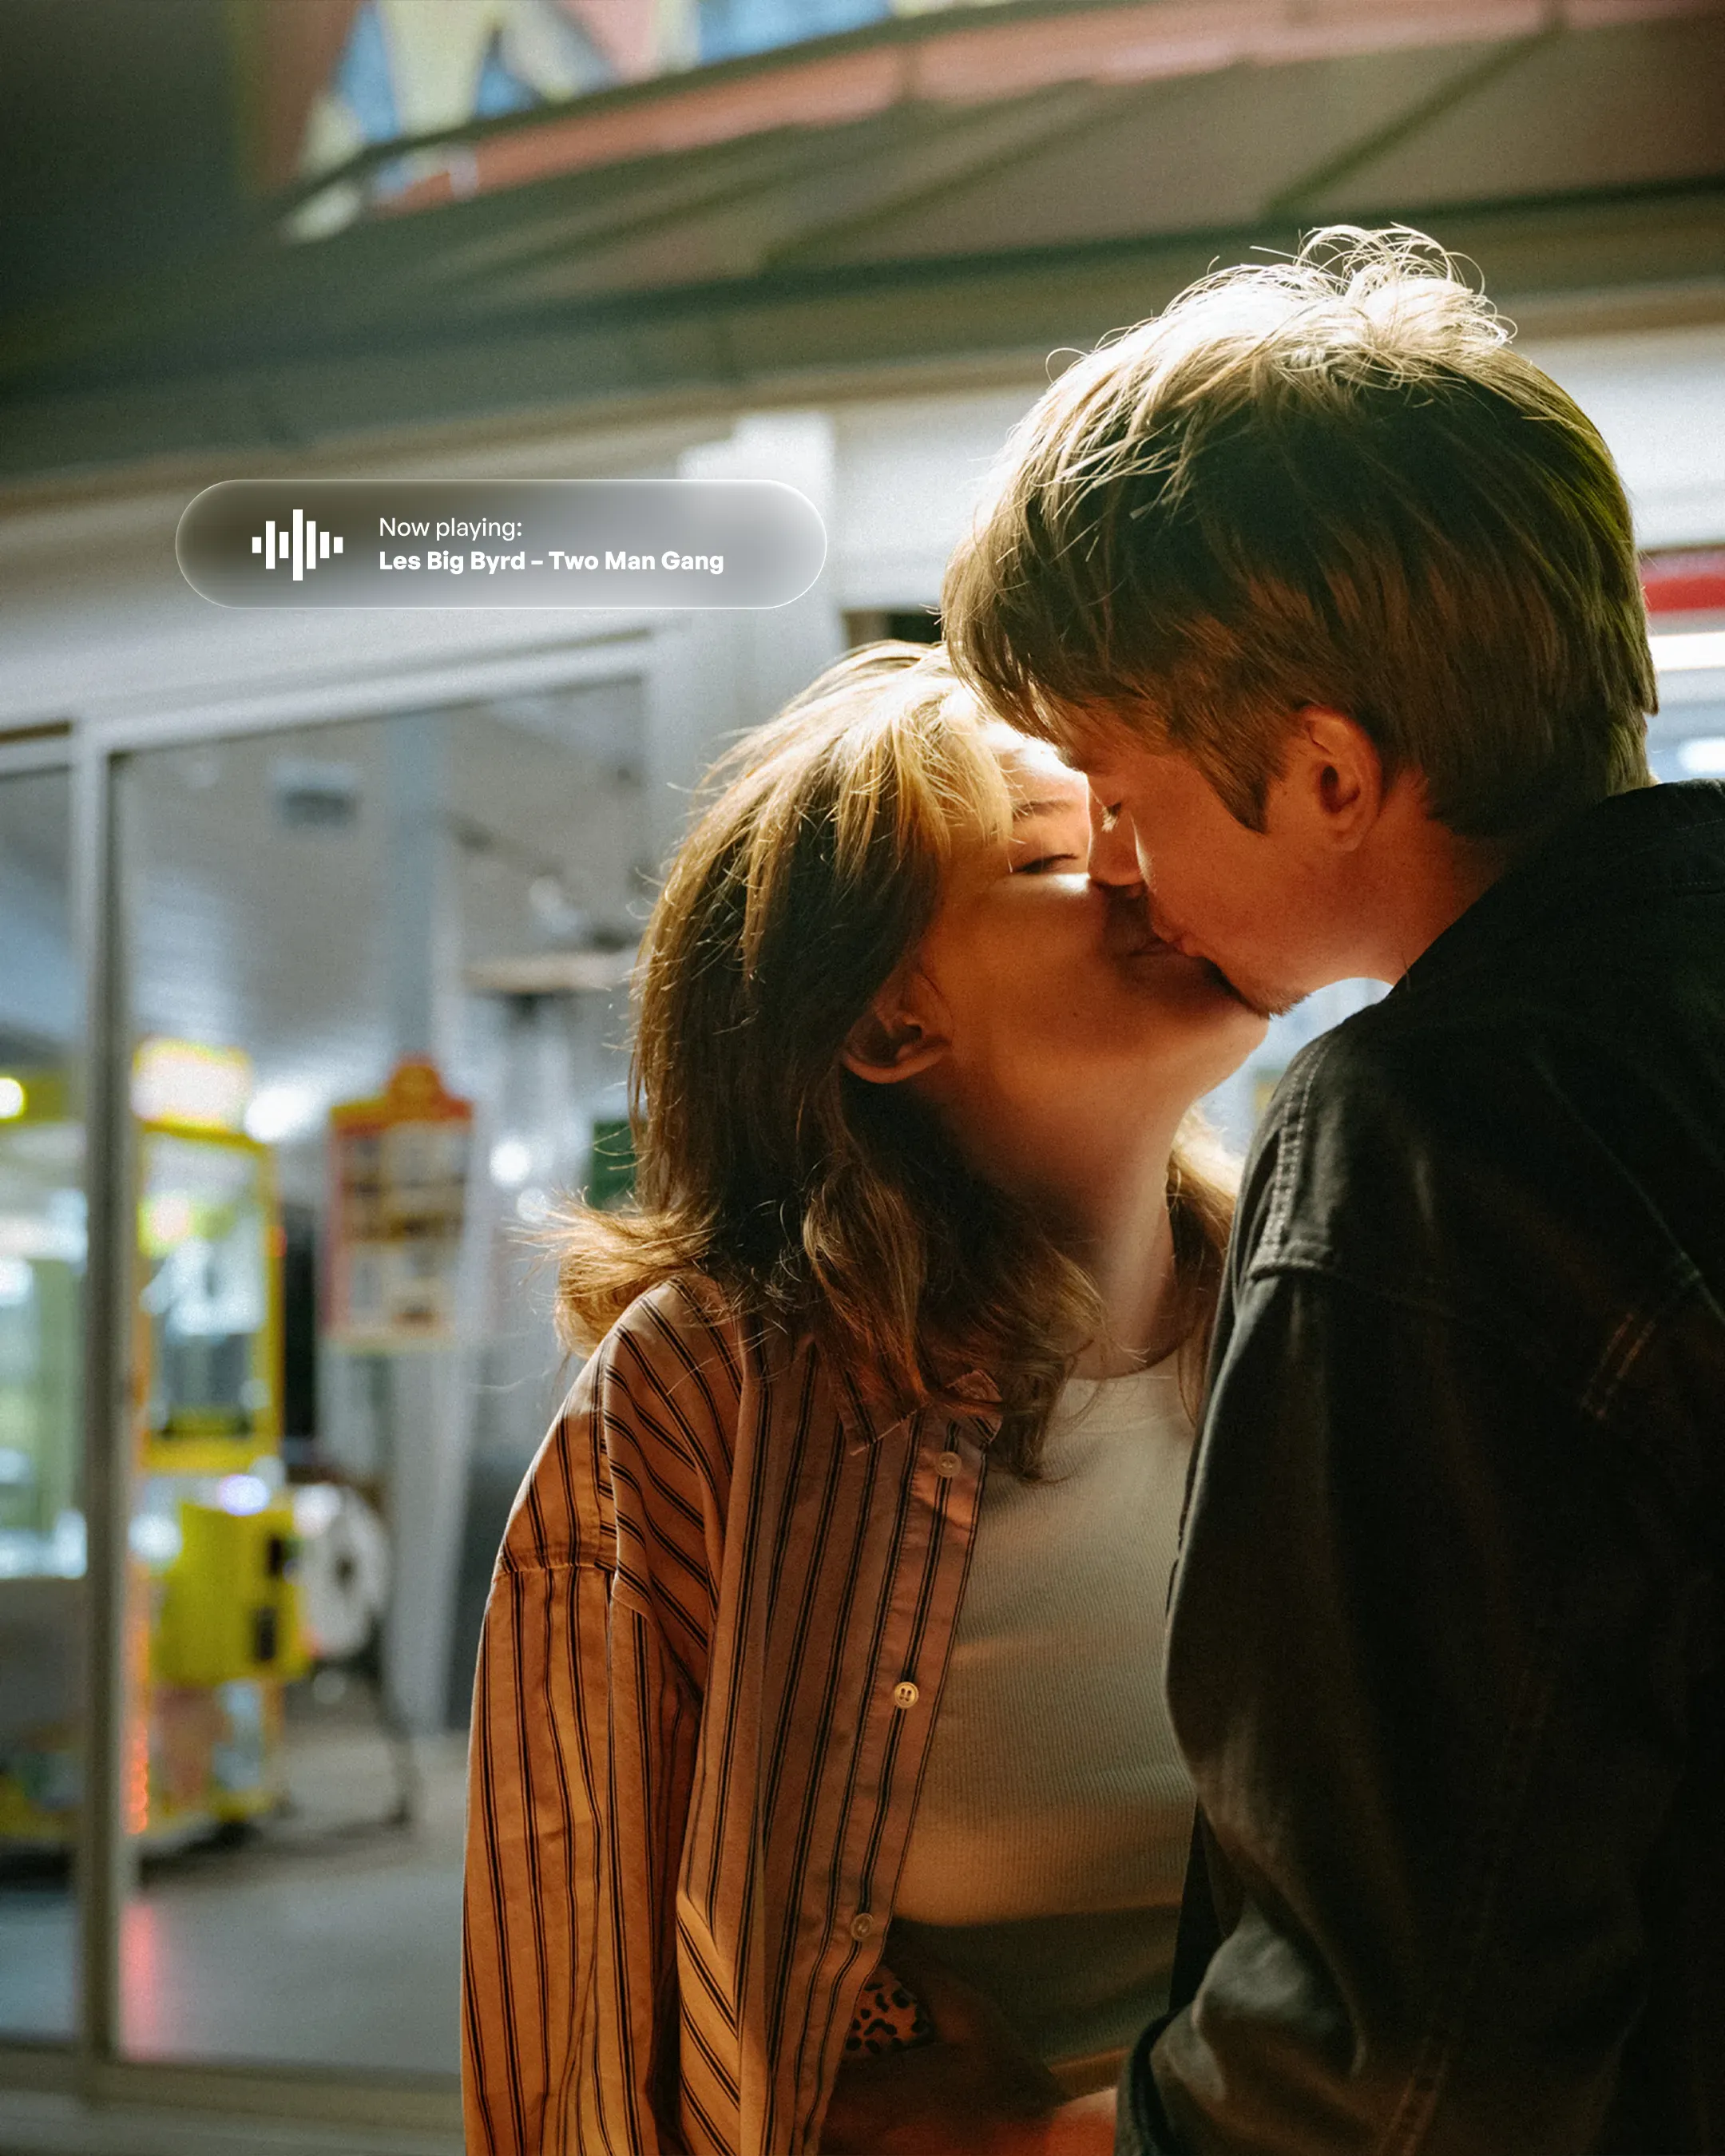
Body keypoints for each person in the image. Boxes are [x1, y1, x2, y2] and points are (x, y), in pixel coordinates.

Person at [875, 224, 1725, 2154]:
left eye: (1117, 777)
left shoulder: (1434, 1140)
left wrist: (1029, 2144)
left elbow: (1402, 2060)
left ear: (1330, 773)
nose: (1108, 856)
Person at [460, 644, 1267, 2156]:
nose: (1139, 860)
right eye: (1051, 847)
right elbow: (570, 2018)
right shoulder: (710, 1398)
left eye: (1130, 811)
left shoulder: (1330, 1323)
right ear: (895, 1024)